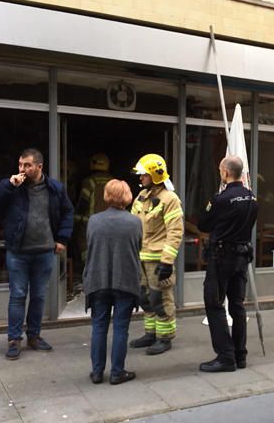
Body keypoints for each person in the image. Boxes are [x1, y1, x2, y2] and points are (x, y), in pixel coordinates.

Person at [0, 148, 74, 359]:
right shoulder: (13, 186)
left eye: (27, 165)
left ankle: (34, 336)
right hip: (18, 252)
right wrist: (8, 185)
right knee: (18, 296)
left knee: (39, 296)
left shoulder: (55, 188)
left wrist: (62, 239)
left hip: (44, 252)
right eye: (20, 165)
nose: (22, 169)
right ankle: (14, 339)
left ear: (39, 167)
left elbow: (68, 212)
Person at [198, 155, 258, 372]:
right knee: (237, 305)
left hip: (221, 257)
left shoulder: (220, 199)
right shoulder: (251, 198)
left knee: (214, 304)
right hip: (241, 257)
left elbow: (204, 223)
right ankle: (240, 355)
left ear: (224, 172)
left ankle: (225, 356)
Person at [83, 179, 142, 385]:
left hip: (98, 279)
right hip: (124, 279)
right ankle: (117, 372)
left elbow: (90, 247)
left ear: (107, 196)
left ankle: (97, 372)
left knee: (98, 327)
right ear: (127, 196)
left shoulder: (94, 221)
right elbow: (138, 248)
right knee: (120, 327)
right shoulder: (135, 222)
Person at [128, 153, 184, 355]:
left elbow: (175, 231)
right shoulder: (141, 197)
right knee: (145, 298)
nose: (140, 178)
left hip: (158, 260)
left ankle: (165, 337)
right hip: (140, 258)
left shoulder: (169, 199)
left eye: (144, 174)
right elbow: (132, 225)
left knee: (161, 299)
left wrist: (167, 261)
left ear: (155, 174)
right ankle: (150, 333)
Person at [74, 153, 114, 269]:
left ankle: (88, 268)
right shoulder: (113, 181)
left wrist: (77, 220)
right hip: (111, 222)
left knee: (86, 247)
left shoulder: (89, 181)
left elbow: (83, 202)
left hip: (91, 222)